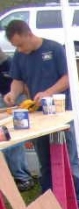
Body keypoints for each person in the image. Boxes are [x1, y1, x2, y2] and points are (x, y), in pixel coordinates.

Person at [3, 20, 79, 205]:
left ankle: (78, 198)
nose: (20, 49)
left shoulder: (54, 49)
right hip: (37, 114)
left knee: (68, 156)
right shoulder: (19, 55)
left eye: (21, 44)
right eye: (16, 46)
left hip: (62, 112)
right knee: (44, 159)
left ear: (29, 34)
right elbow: (17, 80)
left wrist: (48, 92)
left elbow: (68, 78)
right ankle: (50, 197)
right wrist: (13, 93)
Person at [0, 49, 34, 192]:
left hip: (16, 99)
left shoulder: (9, 63)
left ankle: (23, 177)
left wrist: (28, 98)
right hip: (4, 98)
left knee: (11, 138)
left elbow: (23, 83)